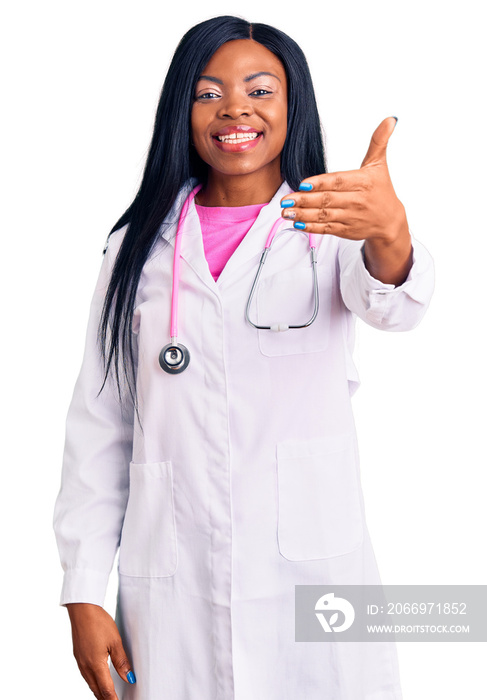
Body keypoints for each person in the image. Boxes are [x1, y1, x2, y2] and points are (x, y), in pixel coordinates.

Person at [53, 15, 434, 700]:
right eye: (207, 93)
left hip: (313, 578)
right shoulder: (136, 250)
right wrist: (83, 589)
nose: (234, 109)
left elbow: (394, 305)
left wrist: (390, 230)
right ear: (182, 111)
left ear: (292, 107)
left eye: (260, 90)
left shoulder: (330, 229)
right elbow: (100, 427)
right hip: (173, 584)